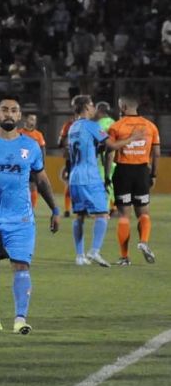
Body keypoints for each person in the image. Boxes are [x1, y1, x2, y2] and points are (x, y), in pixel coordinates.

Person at [0, 95, 61, 335]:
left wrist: (55, 209)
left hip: (21, 219)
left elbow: (42, 180)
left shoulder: (30, 146)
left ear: (19, 116)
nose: (9, 114)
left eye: (14, 110)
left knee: (21, 264)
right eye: (4, 110)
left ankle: (20, 319)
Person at [67, 95, 142, 267]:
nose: (94, 108)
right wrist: (133, 137)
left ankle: (80, 256)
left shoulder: (73, 127)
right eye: (92, 105)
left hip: (75, 177)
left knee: (80, 216)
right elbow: (113, 146)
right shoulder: (92, 126)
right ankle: (94, 251)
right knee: (102, 214)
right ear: (86, 107)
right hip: (89, 176)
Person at [106, 95, 161, 265]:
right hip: (142, 171)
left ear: (122, 107)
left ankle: (124, 257)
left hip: (123, 171)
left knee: (123, 215)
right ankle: (143, 242)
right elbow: (157, 153)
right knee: (143, 213)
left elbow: (110, 153)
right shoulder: (150, 126)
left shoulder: (116, 126)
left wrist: (107, 176)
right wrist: (153, 175)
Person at [18, 114, 46, 208]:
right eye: (31, 119)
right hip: (20, 164)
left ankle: (31, 209)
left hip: (32, 164)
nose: (33, 121)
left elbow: (42, 149)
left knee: (33, 186)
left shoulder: (38, 135)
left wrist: (42, 162)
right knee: (19, 186)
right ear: (26, 120)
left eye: (34, 120)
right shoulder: (19, 133)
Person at [94, 102, 116, 212]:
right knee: (111, 181)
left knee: (103, 183)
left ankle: (104, 209)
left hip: (102, 159)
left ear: (99, 111)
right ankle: (115, 207)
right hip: (113, 158)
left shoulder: (99, 124)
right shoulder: (114, 123)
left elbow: (99, 141)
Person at [57, 112, 77, 217]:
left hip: (84, 160)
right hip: (72, 158)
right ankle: (67, 210)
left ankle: (81, 209)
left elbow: (60, 142)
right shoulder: (68, 125)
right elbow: (60, 142)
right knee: (70, 183)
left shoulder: (86, 125)